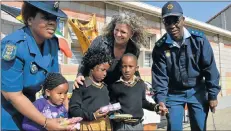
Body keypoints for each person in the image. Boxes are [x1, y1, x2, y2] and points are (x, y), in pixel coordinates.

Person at [1, 1, 80, 130]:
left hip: (36, 110)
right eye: (45, 17)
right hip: (8, 113)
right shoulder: (14, 45)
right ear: (30, 20)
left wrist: (63, 113)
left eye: (54, 18)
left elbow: (55, 83)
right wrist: (46, 122)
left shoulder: (52, 43)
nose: (52, 22)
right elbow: (12, 95)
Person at [151, 1, 221, 131]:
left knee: (199, 127)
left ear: (183, 20)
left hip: (197, 90)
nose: (172, 26)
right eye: (167, 21)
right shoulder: (160, 48)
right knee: (174, 127)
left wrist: (212, 95)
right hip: (174, 93)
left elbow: (210, 68)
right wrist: (160, 99)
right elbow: (160, 77)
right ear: (164, 23)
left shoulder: (199, 40)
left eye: (175, 20)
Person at [74, 12, 147, 88]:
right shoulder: (100, 41)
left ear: (131, 34)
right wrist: (80, 75)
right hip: (93, 84)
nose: (118, 34)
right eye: (116, 30)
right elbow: (85, 61)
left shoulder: (133, 49)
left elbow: (133, 69)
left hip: (116, 88)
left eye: (123, 32)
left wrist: (140, 85)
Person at [109, 53, 162, 131]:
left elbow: (143, 102)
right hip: (122, 126)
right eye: (124, 66)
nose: (127, 70)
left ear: (136, 68)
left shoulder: (140, 84)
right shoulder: (115, 86)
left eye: (130, 66)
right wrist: (114, 115)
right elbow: (111, 105)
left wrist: (156, 107)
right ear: (120, 68)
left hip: (138, 125)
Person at [69, 45, 112, 131]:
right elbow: (74, 109)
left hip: (104, 126)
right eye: (102, 70)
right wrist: (92, 115)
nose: (105, 74)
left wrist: (110, 109)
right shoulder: (82, 85)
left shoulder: (105, 87)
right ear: (92, 68)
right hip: (87, 126)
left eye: (106, 71)